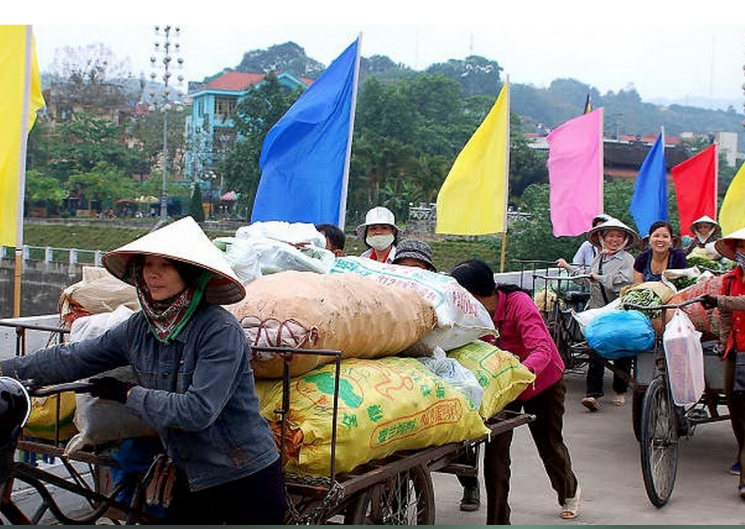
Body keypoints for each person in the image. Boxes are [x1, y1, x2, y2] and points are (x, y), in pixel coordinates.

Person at [0, 216, 288, 524]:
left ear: (189, 272)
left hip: (242, 474)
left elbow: (197, 411)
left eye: (166, 265)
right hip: (191, 474)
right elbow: (73, 358)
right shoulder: (138, 328)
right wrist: (6, 370)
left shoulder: (218, 330)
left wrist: (128, 394)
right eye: (148, 264)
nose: (154, 274)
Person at [450, 258, 581, 523]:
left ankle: (568, 490)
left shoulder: (519, 303)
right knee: (496, 455)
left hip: (541, 381)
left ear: (476, 294)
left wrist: (517, 374)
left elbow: (541, 349)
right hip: (503, 387)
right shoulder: (471, 314)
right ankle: (498, 521)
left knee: (549, 444)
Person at [557, 217, 640, 410]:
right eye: (611, 235)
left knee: (621, 352)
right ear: (603, 237)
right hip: (596, 309)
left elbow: (626, 281)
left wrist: (600, 278)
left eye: (619, 236)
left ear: (625, 239)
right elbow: (587, 280)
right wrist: (570, 269)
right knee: (595, 351)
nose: (615, 239)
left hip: (618, 311)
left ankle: (620, 391)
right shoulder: (599, 258)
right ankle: (592, 394)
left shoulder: (628, 260)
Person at [700, 226, 745, 499]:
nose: (742, 252)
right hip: (736, 352)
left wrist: (719, 300)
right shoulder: (729, 279)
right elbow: (726, 315)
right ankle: (740, 449)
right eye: (739, 248)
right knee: (737, 413)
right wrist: (725, 342)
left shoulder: (725, 291)